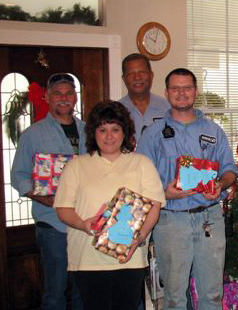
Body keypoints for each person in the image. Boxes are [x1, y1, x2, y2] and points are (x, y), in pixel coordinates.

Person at [136, 68, 238, 309]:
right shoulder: (153, 134)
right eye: (175, 88)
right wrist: (163, 193)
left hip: (210, 219)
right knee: (174, 297)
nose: (181, 93)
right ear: (166, 92)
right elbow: (139, 178)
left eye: (187, 88)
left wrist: (221, 184)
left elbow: (230, 169)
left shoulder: (213, 130)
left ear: (196, 91)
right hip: (171, 221)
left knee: (212, 295)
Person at [54, 101, 166, 310]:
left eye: (115, 129)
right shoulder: (76, 165)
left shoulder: (141, 163)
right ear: (93, 133)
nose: (109, 136)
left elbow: (154, 207)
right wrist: (83, 224)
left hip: (129, 257)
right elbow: (63, 209)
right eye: (102, 129)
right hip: (88, 258)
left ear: (125, 132)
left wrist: (139, 237)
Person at [11, 73, 85, 310]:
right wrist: (42, 197)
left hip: (84, 223)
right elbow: (18, 175)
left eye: (68, 93)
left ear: (75, 97)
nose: (63, 98)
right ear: (47, 97)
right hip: (53, 225)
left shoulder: (89, 131)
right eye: (57, 93)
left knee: (83, 291)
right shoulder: (33, 134)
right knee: (55, 292)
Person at [120, 53, 170, 143]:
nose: (137, 77)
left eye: (142, 72)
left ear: (151, 75)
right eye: (131, 74)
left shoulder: (168, 109)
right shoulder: (116, 111)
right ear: (124, 79)